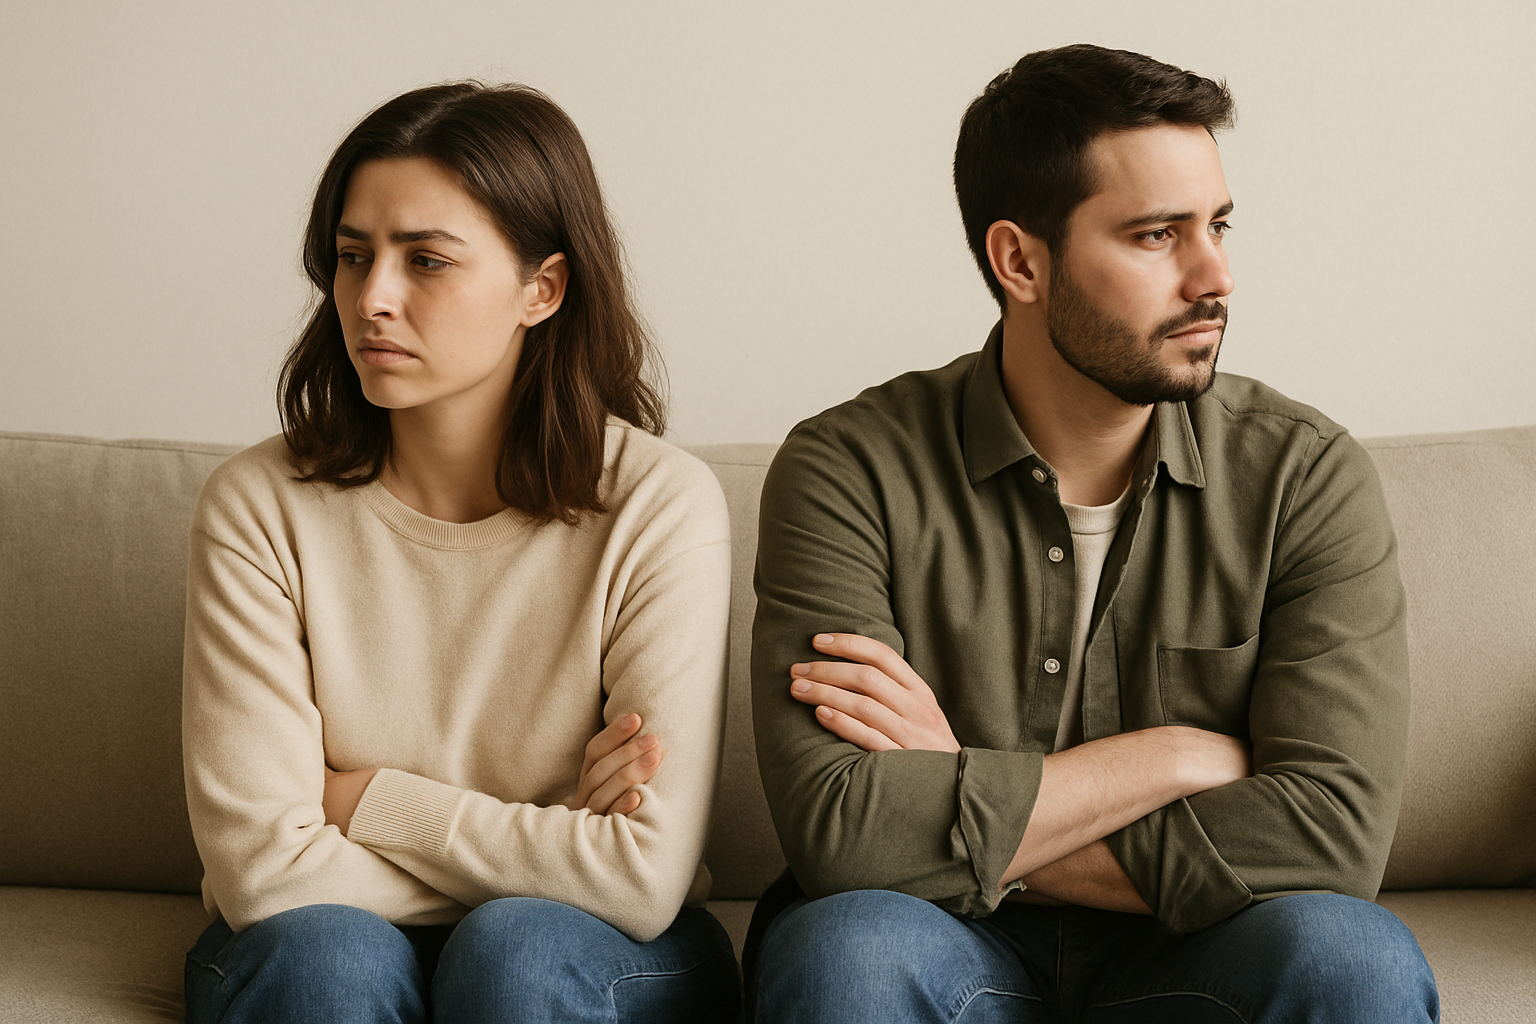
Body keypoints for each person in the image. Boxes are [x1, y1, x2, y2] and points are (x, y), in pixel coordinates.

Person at [748, 44, 1439, 1022]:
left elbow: (1333, 835)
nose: (1217, 276)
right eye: (1158, 236)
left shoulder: (1303, 473)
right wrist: (1171, 756)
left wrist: (957, 800)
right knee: (846, 952)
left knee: (1353, 959)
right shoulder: (847, 468)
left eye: (1219, 225)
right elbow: (844, 833)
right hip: (936, 936)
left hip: (1205, 943)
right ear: (1019, 260)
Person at [181, 82, 739, 1023]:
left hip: (583, 950)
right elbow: (264, 876)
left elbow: (640, 880)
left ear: (542, 289)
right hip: (313, 937)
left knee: (514, 953)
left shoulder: (656, 506)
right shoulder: (260, 508)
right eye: (353, 258)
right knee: (328, 962)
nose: (373, 298)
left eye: (427, 260)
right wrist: (559, 845)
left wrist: (368, 801)